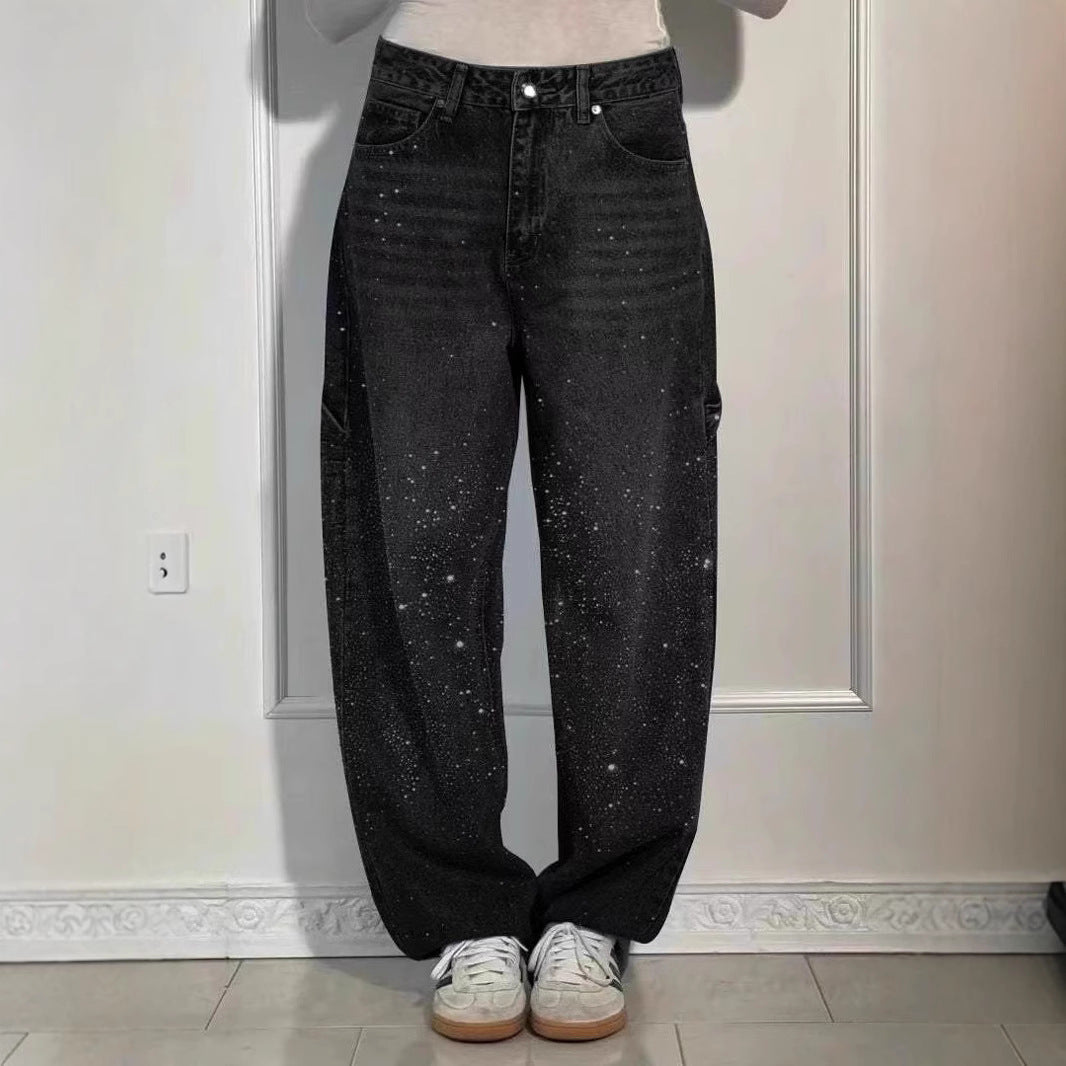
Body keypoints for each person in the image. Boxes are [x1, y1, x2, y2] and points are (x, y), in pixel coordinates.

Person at [315, 0, 781, 1043]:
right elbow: (322, 13)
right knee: (415, 543)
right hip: (421, 135)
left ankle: (597, 915)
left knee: (632, 541)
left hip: (622, 138)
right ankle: (464, 915)